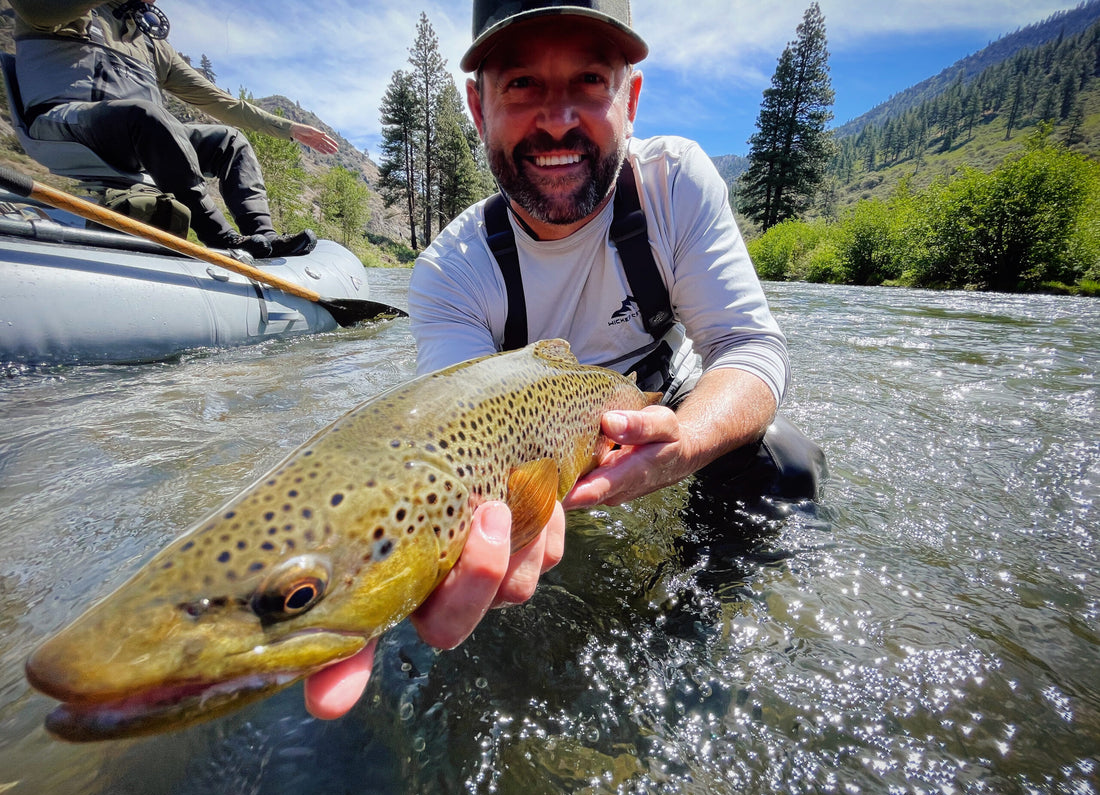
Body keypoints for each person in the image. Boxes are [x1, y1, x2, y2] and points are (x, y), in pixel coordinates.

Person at [303, 0, 825, 719]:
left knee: (784, 462)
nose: (556, 120)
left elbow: (749, 347)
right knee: (492, 586)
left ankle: (694, 650)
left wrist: (682, 445)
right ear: (478, 108)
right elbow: (454, 440)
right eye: (521, 84)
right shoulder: (451, 272)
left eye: (587, 81)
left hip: (663, 411)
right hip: (535, 454)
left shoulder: (675, 186)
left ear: (630, 98)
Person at [10, 0, 339, 258]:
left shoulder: (152, 45)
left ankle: (263, 235)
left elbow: (220, 102)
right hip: (61, 124)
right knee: (146, 115)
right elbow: (33, 7)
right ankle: (219, 237)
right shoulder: (67, 10)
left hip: (141, 134)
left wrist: (289, 128)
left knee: (230, 141)